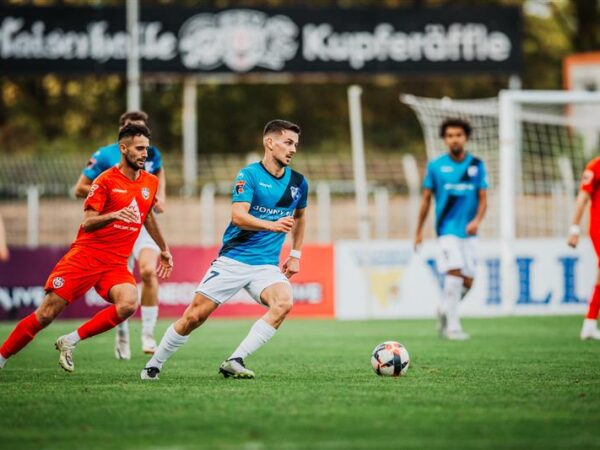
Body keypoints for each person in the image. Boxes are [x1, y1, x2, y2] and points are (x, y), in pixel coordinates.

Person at [141, 119, 307, 380]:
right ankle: (154, 364)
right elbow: (238, 216)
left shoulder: (298, 182)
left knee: (284, 302)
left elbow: (300, 216)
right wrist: (272, 225)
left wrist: (295, 255)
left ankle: (235, 360)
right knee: (194, 317)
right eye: (288, 142)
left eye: (295, 144)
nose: (293, 149)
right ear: (269, 142)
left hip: (266, 265)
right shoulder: (249, 175)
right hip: (234, 259)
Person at [0, 124, 173, 372]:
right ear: (123, 149)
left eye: (146, 149)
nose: (145, 154)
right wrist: (114, 215)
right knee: (46, 314)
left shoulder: (150, 182)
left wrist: (164, 248)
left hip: (115, 263)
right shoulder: (105, 181)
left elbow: (147, 216)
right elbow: (88, 222)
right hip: (85, 257)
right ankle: (2, 357)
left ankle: (70, 341)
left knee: (128, 303)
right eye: (139, 148)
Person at [73, 111, 167, 358]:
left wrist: (160, 196)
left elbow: (159, 173)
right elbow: (79, 188)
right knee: (121, 283)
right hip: (115, 226)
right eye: (133, 128)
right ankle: (122, 332)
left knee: (148, 271)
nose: (142, 144)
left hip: (142, 222)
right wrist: (113, 193)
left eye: (143, 129)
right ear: (122, 135)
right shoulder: (104, 155)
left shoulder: (151, 153)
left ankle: (148, 333)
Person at [414, 118, 488, 340]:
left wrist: (477, 221)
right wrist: (418, 231)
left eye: (458, 135)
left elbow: (483, 199)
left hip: (470, 233)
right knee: (454, 271)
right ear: (445, 139)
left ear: (466, 138)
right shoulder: (436, 166)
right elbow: (426, 200)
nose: (454, 139)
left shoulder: (476, 165)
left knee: (468, 282)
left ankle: (444, 308)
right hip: (446, 230)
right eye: (450, 136)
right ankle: (453, 327)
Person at [568, 156, 600, 340]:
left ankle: (589, 323)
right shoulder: (595, 166)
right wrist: (574, 229)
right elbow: (582, 198)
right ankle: (589, 323)